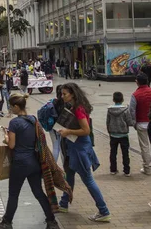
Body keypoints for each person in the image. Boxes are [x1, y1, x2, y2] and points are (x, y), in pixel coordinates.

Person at [0, 94, 59, 229]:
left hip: (19, 163)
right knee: (38, 192)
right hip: (34, 162)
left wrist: (6, 136)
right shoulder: (33, 120)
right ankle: (52, 221)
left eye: (11, 107)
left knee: (13, 194)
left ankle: (6, 222)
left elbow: (11, 145)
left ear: (17, 107)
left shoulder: (15, 123)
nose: (10, 110)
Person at [57, 83, 110, 222]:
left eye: (65, 94)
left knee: (88, 180)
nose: (62, 97)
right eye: (62, 94)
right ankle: (63, 204)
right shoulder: (76, 107)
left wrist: (68, 131)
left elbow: (86, 130)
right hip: (74, 148)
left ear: (73, 94)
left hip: (79, 149)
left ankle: (103, 210)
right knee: (69, 176)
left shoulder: (79, 109)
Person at [129, 72, 151, 175]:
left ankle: (147, 168)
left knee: (145, 146)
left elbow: (132, 110)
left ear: (137, 82)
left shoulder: (135, 95)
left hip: (141, 123)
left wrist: (134, 123)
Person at [106, 92, 134, 176]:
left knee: (113, 152)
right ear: (122, 99)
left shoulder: (110, 110)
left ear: (113, 99)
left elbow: (107, 122)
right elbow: (129, 122)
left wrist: (109, 131)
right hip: (123, 135)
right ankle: (126, 171)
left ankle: (113, 169)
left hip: (113, 135)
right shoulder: (126, 110)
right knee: (125, 153)